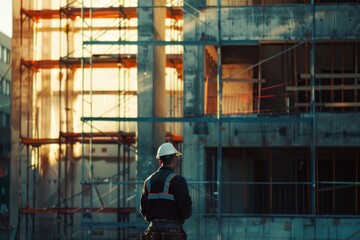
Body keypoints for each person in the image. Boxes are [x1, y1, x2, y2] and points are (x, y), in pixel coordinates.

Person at [140, 142, 192, 240]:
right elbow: (186, 210)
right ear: (174, 159)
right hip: (172, 232)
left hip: (153, 231)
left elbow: (143, 210)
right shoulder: (178, 181)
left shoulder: (148, 181)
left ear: (160, 161)